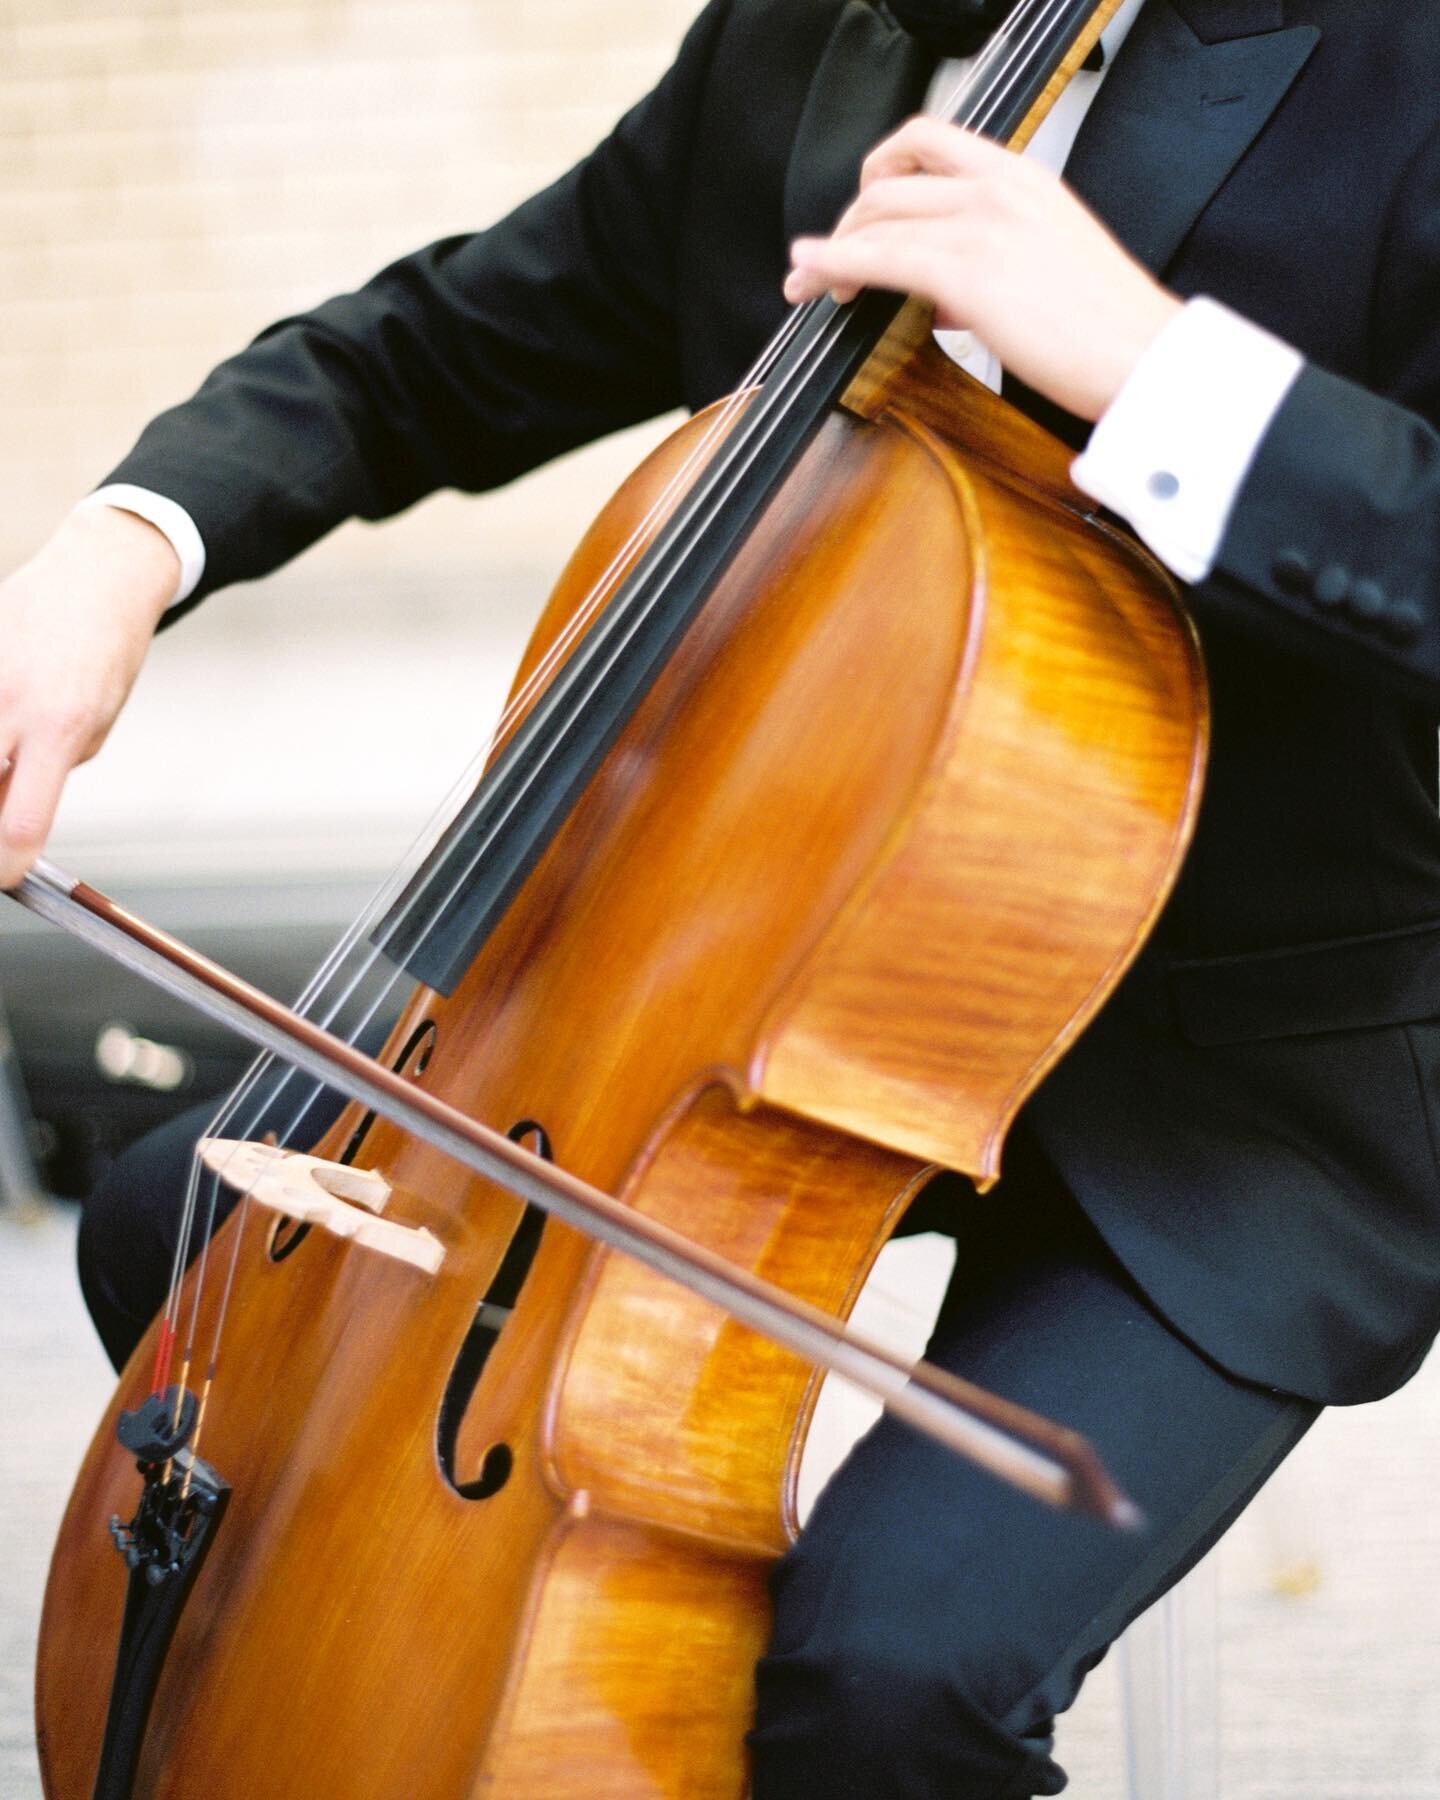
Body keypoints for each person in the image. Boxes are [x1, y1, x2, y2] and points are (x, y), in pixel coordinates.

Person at [7, 0, 1440, 1792]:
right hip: (755, 1000)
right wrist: (115, 553)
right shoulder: (810, 37)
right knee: (179, 1235)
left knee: (884, 1678)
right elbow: (436, 346)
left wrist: (1165, 375)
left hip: (1225, 1100)